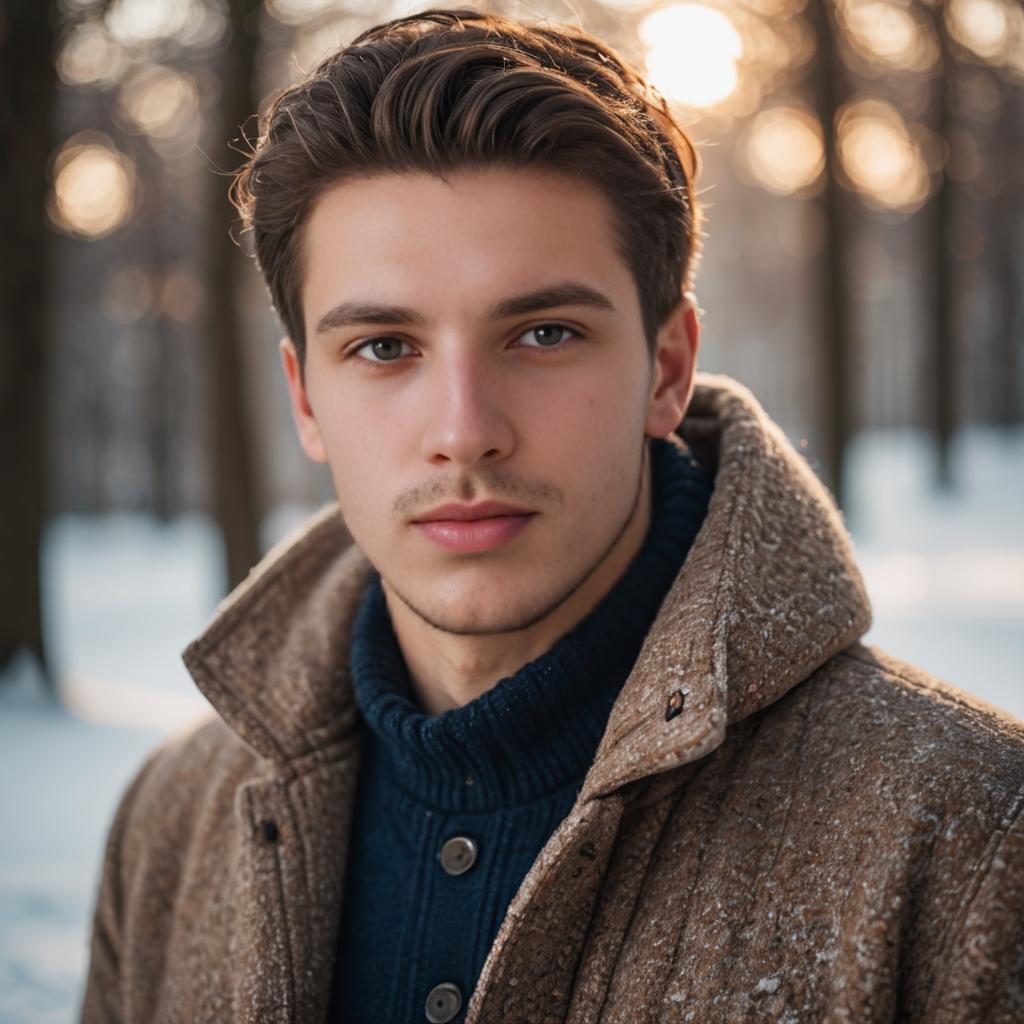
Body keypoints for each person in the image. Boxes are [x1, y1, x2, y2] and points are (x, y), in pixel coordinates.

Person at [81, 8, 1024, 1023]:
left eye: (541, 332)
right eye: (385, 348)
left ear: (666, 369)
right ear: (306, 398)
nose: (465, 432)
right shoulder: (172, 822)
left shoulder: (968, 837)